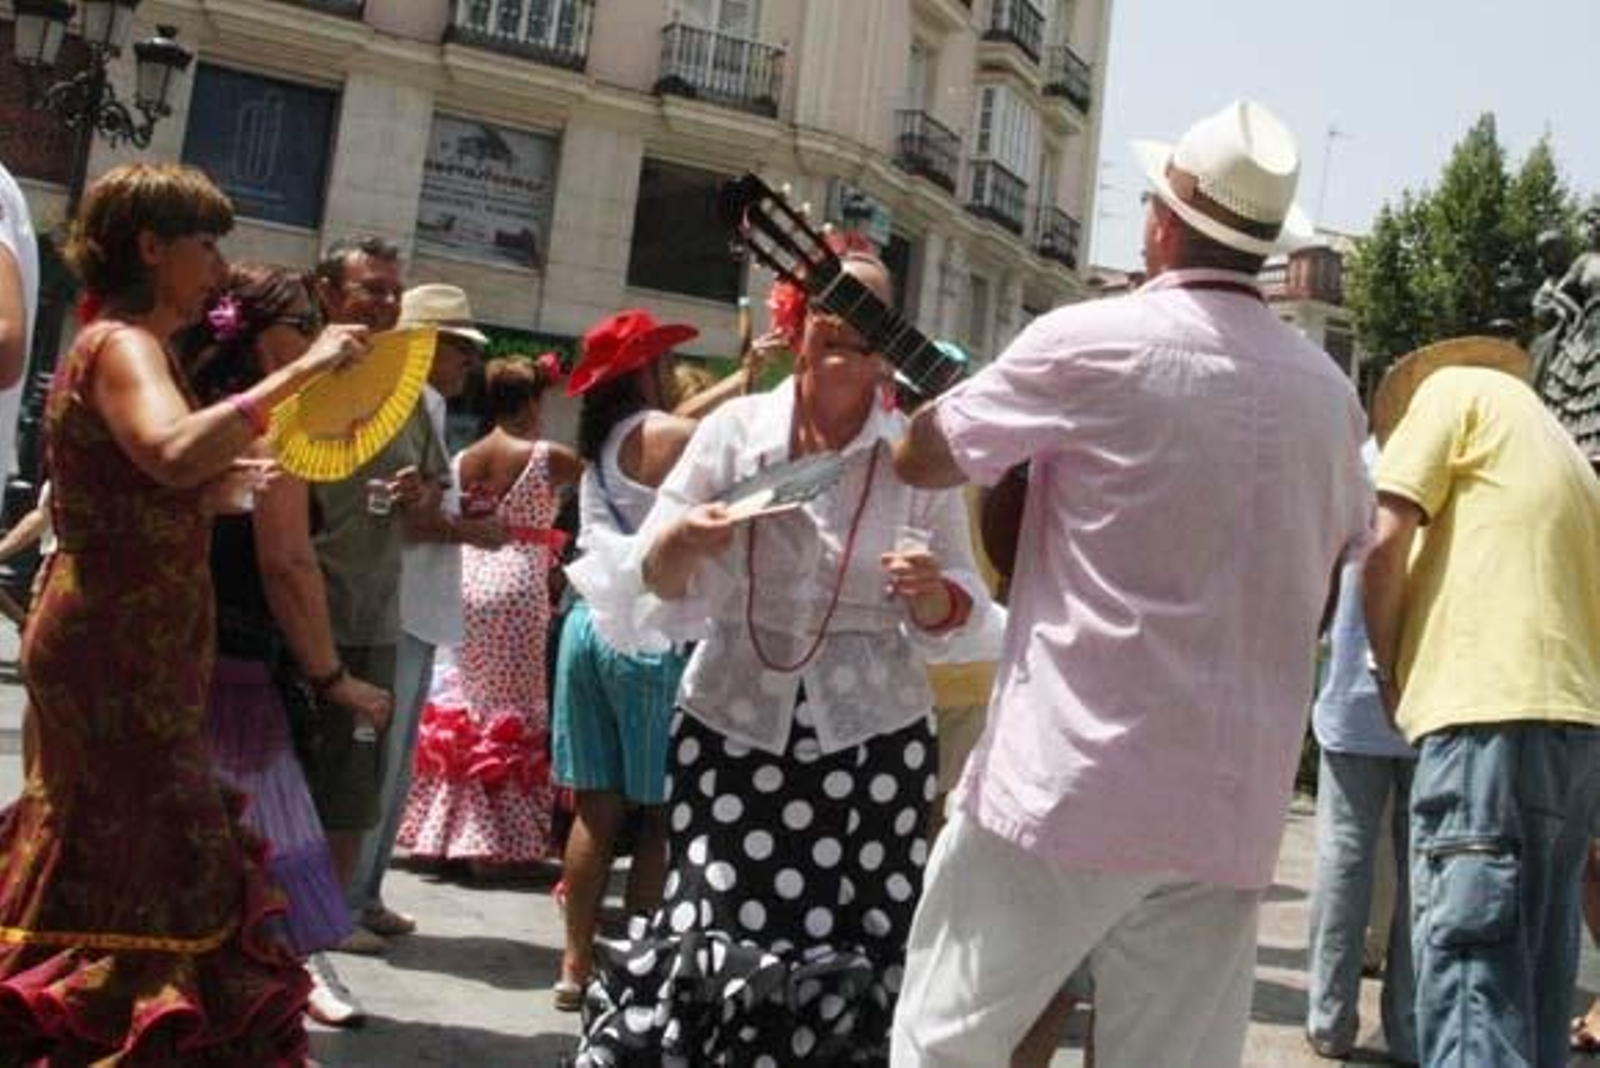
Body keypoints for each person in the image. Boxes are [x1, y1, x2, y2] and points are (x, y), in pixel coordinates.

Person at [887, 100, 1371, 1067]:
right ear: (1268, 251)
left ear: (1158, 221)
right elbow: (1325, 584)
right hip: (1228, 802)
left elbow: (922, 458)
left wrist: (961, 408)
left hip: (1071, 781)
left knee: (945, 1045)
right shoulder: (1331, 396)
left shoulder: (1090, 339)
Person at [566, 251, 993, 1063]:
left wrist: (934, 595)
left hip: (873, 738)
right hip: (734, 727)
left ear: (891, 342)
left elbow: (966, 608)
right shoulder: (733, 432)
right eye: (831, 308)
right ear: (797, 328)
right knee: (717, 920)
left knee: (860, 929)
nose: (849, 325)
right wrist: (686, 538)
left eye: (870, 314)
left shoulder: (915, 455)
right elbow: (650, 578)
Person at [0, 161, 368, 1062]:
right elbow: (166, 449)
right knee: (145, 840)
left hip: (134, 630)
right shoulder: (124, 343)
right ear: (152, 247)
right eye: (204, 242)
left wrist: (206, 496)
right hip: (114, 640)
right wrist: (302, 372)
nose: (217, 263)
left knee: (104, 838)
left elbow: (137, 480)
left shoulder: (132, 345)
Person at [1361, 336, 1600, 1068]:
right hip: (1574, 726)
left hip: (1484, 713)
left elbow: (1383, 541)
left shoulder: (1449, 396)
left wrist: (1387, 665)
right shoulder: (1560, 446)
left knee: (1470, 981)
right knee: (1534, 981)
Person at [181, 262, 394, 1027]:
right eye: (301, 323)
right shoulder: (270, 427)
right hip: (233, 677)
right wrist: (334, 677)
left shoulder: (184, 404)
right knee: (254, 867)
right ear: (256, 332)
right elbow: (287, 564)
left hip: (167, 657)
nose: (313, 336)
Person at [300, 246, 454, 957]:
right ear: (327, 292)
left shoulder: (409, 392)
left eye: (395, 292)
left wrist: (419, 496)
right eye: (372, 290)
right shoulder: (294, 367)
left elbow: (428, 486)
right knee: (282, 780)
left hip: (376, 616)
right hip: (296, 612)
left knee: (353, 790)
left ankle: (327, 925)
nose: (386, 303)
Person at [548, 310, 703, 1012]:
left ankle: (574, 965)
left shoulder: (604, 438)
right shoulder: (659, 434)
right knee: (661, 816)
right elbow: (723, 442)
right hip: (647, 636)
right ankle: (638, 962)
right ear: (645, 370)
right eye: (661, 362)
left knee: (597, 810)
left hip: (586, 624)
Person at [347, 284, 509, 935]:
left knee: (397, 763)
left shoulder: (428, 406)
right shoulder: (406, 402)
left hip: (416, 606)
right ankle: (348, 897)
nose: (465, 363)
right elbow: (410, 516)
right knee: (377, 764)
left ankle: (366, 892)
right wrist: (475, 531)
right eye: (457, 349)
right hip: (397, 604)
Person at [399, 351, 579, 870]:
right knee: (514, 707)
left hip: (468, 577)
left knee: (465, 701)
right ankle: (493, 843)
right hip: (520, 580)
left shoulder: (463, 458)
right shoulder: (549, 456)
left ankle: (443, 831)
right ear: (530, 403)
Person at [1303, 445, 1417, 1063]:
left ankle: (1329, 1018)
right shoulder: (1465, 464)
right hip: (1429, 695)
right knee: (1422, 869)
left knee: (1343, 859)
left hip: (1351, 692)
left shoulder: (1363, 461)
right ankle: (1411, 1025)